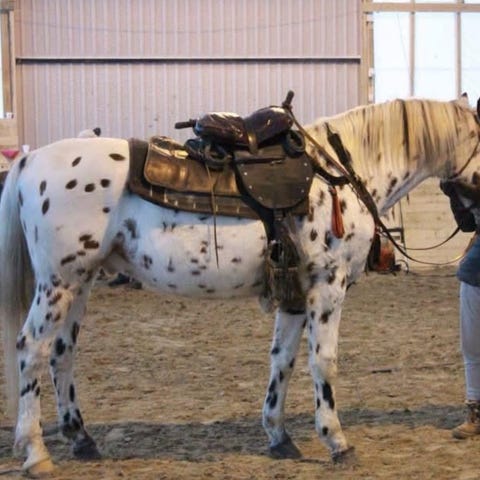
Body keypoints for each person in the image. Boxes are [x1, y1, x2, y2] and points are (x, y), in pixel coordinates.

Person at [441, 173, 480, 439]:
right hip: (475, 269)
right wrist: (454, 194)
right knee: (471, 345)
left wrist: (462, 187)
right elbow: (467, 224)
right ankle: (474, 411)